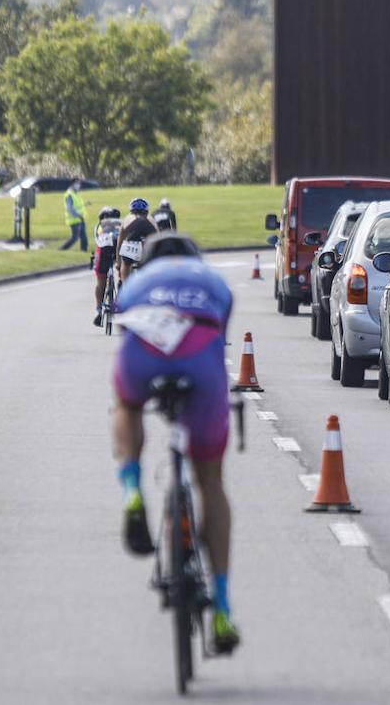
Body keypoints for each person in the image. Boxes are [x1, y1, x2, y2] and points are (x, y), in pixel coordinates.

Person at [111, 232, 240, 653]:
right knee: (210, 481)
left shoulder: (135, 282)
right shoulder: (213, 281)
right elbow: (221, 332)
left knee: (127, 406)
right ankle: (221, 608)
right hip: (201, 355)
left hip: (144, 350)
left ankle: (132, 490)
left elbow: (121, 321)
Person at [92, 207, 122, 326]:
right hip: (118, 249)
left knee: (100, 281)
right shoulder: (121, 223)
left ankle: (98, 310)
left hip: (103, 250)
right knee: (124, 272)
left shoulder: (99, 225)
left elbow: (97, 240)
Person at [117, 199, 158, 286]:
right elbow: (159, 238)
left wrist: (119, 263)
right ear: (146, 211)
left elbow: (119, 243)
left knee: (126, 264)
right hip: (147, 242)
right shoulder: (151, 218)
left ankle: (126, 288)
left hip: (131, 244)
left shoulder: (127, 218)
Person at [61, 180, 89, 252]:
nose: (78, 185)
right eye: (77, 184)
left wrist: (85, 204)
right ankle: (62, 249)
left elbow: (78, 206)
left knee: (84, 237)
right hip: (74, 219)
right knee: (75, 238)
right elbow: (70, 208)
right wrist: (78, 215)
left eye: (79, 183)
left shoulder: (75, 194)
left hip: (80, 219)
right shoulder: (69, 194)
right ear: (72, 184)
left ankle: (84, 250)